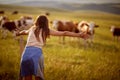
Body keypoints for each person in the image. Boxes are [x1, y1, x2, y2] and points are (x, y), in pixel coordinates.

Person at [17, 15, 88, 80]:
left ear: (37, 21)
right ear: (46, 23)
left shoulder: (32, 29)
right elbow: (64, 33)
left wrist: (18, 33)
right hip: (37, 55)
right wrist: (79, 35)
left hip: (26, 54)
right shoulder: (46, 30)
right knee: (38, 77)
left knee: (27, 77)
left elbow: (24, 32)